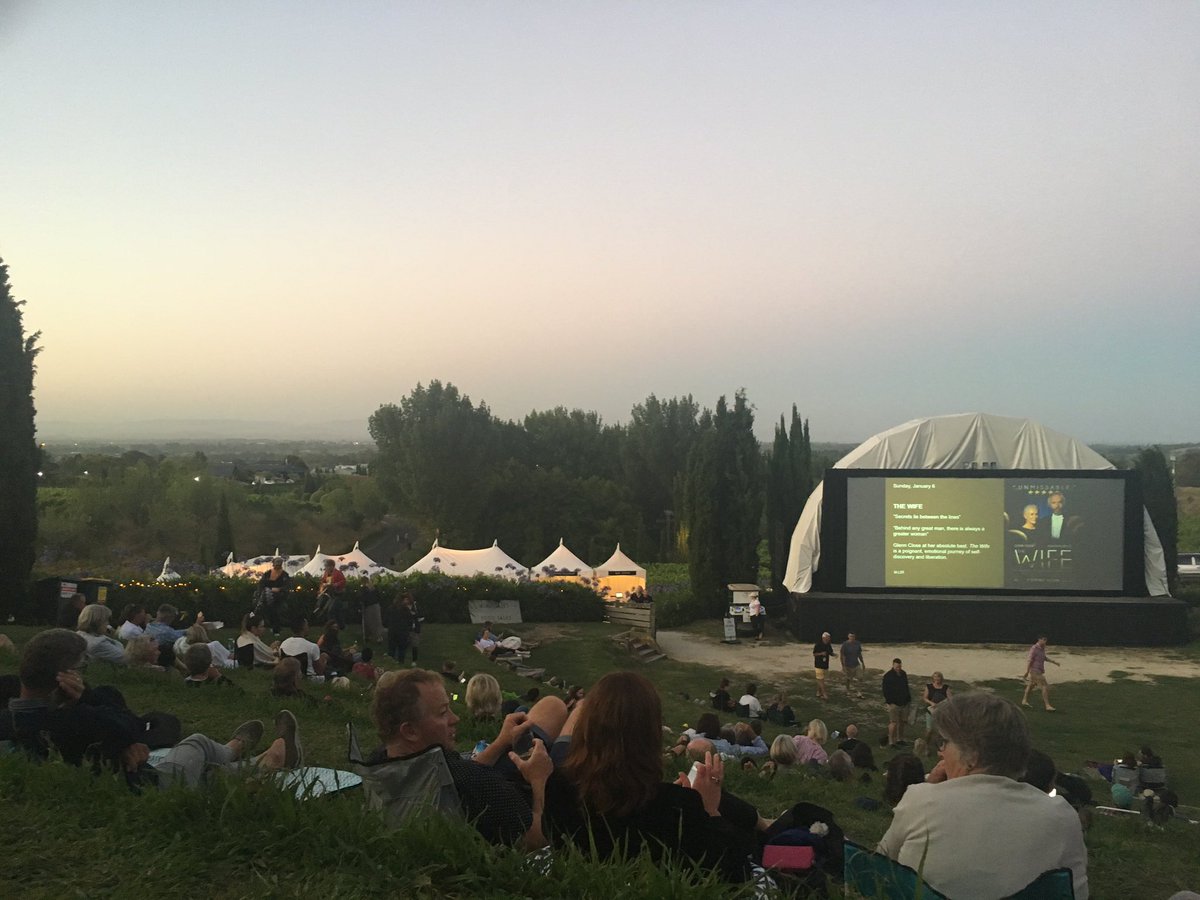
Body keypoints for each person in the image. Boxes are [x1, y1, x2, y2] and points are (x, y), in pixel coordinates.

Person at [1, 629, 301, 786]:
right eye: (80, 669)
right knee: (195, 746)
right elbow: (129, 722)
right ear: (63, 677)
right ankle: (267, 758)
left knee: (201, 761)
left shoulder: (19, 715)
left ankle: (236, 753)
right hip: (150, 787)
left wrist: (122, 740)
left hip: (125, 772)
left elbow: (121, 720)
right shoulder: (70, 718)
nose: (83, 676)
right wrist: (87, 700)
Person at [544, 671, 758, 882]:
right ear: (652, 733)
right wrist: (710, 810)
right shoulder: (677, 808)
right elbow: (737, 874)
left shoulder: (558, 786)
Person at [878, 692, 1088, 899]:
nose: (940, 752)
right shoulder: (1060, 816)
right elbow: (1076, 892)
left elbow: (878, 868)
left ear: (971, 757)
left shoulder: (920, 800)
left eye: (944, 743)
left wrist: (929, 789)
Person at [361, 668, 566, 847]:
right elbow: (537, 837)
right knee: (560, 707)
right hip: (524, 786)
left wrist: (501, 742)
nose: (455, 718)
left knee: (547, 707)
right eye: (443, 713)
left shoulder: (380, 762)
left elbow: (454, 778)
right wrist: (540, 780)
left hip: (485, 777)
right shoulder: (474, 783)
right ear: (410, 731)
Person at [1021, 635, 1060, 711]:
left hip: (1038, 670)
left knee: (1031, 685)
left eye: (1046, 640)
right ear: (1039, 639)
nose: (1045, 641)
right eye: (1044, 639)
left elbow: (1043, 657)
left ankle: (1024, 701)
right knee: (1044, 685)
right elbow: (1030, 660)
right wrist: (1027, 671)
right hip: (1035, 671)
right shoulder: (1034, 648)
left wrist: (1054, 662)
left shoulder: (1042, 648)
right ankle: (1047, 705)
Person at [882, 658, 912, 746]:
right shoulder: (888, 676)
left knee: (902, 722)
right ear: (893, 665)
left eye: (899, 666)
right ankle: (891, 741)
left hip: (904, 702)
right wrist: (889, 702)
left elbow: (906, 686)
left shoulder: (903, 674)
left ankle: (900, 739)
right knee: (893, 722)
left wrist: (908, 699)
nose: (898, 668)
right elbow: (885, 690)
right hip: (894, 703)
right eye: (896, 667)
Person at [257, 556, 291, 630]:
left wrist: (279, 589)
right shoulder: (267, 574)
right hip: (267, 595)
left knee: (276, 609)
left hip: (279, 596)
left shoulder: (284, 575)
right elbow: (261, 584)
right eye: (276, 564)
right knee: (266, 602)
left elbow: (287, 586)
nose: (277, 566)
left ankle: (276, 627)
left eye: (279, 565)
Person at [921, 671, 952, 745]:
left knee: (941, 731)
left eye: (938, 677)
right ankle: (926, 745)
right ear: (933, 678)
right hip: (930, 710)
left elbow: (950, 699)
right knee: (929, 730)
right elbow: (925, 698)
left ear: (941, 678)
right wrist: (931, 703)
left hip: (941, 711)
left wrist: (944, 704)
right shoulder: (929, 686)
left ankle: (940, 747)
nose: (937, 678)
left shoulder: (945, 688)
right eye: (935, 677)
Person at [313, 559, 346, 626]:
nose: (325, 568)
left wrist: (335, 585)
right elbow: (323, 582)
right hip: (330, 595)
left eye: (326, 566)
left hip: (337, 594)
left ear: (331, 566)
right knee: (328, 609)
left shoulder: (338, 573)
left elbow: (343, 581)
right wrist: (321, 590)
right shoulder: (326, 573)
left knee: (331, 610)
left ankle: (336, 625)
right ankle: (333, 624)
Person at [386, 594, 416, 664]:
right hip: (402, 632)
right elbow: (410, 621)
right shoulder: (405, 610)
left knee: (391, 649)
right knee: (402, 650)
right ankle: (400, 663)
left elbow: (386, 619)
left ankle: (391, 662)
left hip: (392, 631)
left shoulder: (390, 608)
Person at [360, 575, 386, 645]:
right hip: (374, 605)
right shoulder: (373, 588)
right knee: (375, 621)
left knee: (371, 621)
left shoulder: (365, 588)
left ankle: (373, 637)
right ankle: (376, 637)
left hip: (370, 606)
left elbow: (363, 598)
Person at [839, 632, 865, 696]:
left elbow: (859, 654)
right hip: (848, 665)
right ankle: (848, 690)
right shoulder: (845, 644)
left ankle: (859, 692)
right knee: (848, 679)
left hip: (856, 664)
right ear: (848, 636)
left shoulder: (857, 644)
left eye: (853, 636)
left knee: (860, 677)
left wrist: (862, 662)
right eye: (850, 636)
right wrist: (843, 666)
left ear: (855, 637)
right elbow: (842, 656)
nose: (852, 638)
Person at [812, 631, 833, 700]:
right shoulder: (818, 644)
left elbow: (830, 652)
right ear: (823, 638)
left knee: (821, 679)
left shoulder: (828, 645)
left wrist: (833, 654)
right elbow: (814, 654)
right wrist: (821, 653)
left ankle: (818, 692)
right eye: (827, 638)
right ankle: (824, 694)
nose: (828, 639)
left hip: (825, 664)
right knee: (821, 680)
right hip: (818, 664)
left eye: (829, 638)